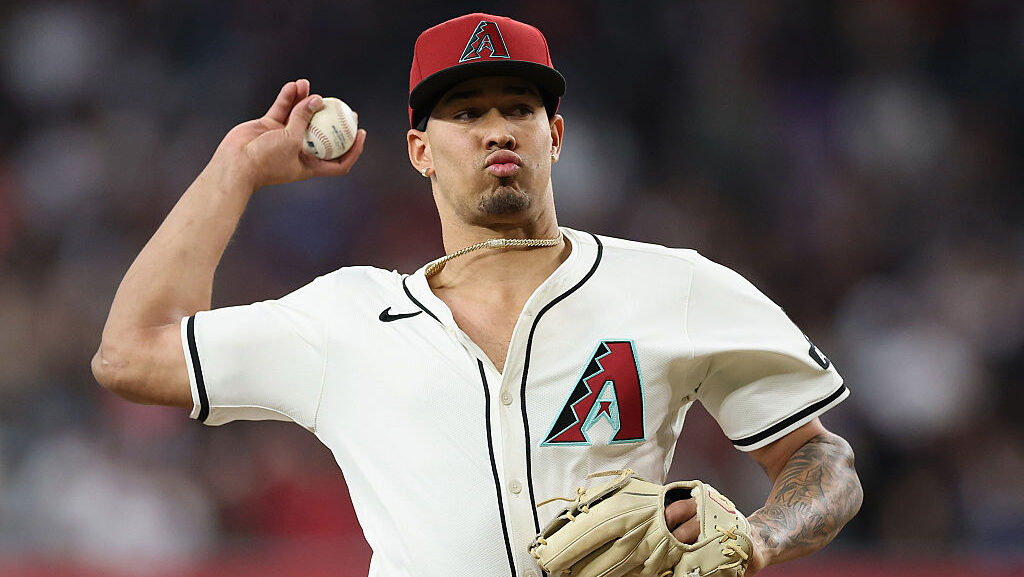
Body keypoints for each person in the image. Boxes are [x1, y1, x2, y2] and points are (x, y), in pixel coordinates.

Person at [93, 12, 861, 577]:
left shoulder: (672, 285)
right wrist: (237, 168)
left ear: (554, 135)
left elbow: (823, 458)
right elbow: (131, 352)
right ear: (421, 151)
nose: (498, 130)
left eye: (519, 109)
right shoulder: (346, 319)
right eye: (467, 113)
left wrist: (759, 537)